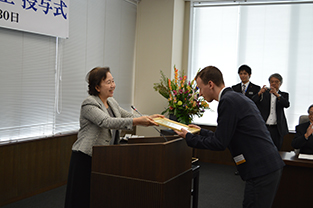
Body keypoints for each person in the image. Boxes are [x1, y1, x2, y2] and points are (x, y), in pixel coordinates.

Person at [175, 66, 284, 208]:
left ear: (210, 84)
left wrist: (189, 138)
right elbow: (225, 135)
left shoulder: (228, 101)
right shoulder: (234, 97)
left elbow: (219, 143)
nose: (200, 94)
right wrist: (201, 131)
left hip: (261, 169)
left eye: (200, 88)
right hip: (266, 166)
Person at [64, 67, 163, 208]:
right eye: (108, 82)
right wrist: (138, 122)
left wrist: (149, 118)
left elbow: (128, 116)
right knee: (82, 198)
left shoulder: (111, 102)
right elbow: (106, 122)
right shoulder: (89, 103)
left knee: (98, 195)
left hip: (103, 157)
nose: (113, 85)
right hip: (85, 157)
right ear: (97, 87)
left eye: (113, 81)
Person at [252, 73, 290, 150]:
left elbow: (286, 104)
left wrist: (277, 94)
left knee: (277, 149)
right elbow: (252, 102)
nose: (273, 83)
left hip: (277, 128)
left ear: (280, 83)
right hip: (264, 126)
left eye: (276, 82)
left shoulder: (283, 94)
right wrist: (259, 93)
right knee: (263, 149)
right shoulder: (264, 93)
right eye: (272, 81)